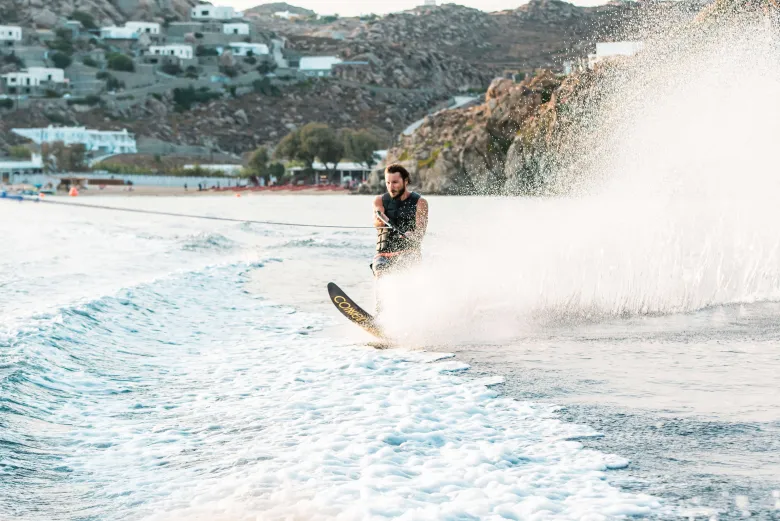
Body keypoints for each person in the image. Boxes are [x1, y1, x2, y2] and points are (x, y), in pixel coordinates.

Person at [371, 163, 429, 279]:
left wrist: (412, 235)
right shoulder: (379, 200)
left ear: (405, 181)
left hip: (409, 252)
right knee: (380, 271)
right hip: (384, 254)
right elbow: (377, 223)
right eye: (388, 183)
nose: (391, 187)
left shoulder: (420, 203)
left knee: (402, 266)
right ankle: (380, 297)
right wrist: (380, 219)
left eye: (395, 182)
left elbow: (420, 232)